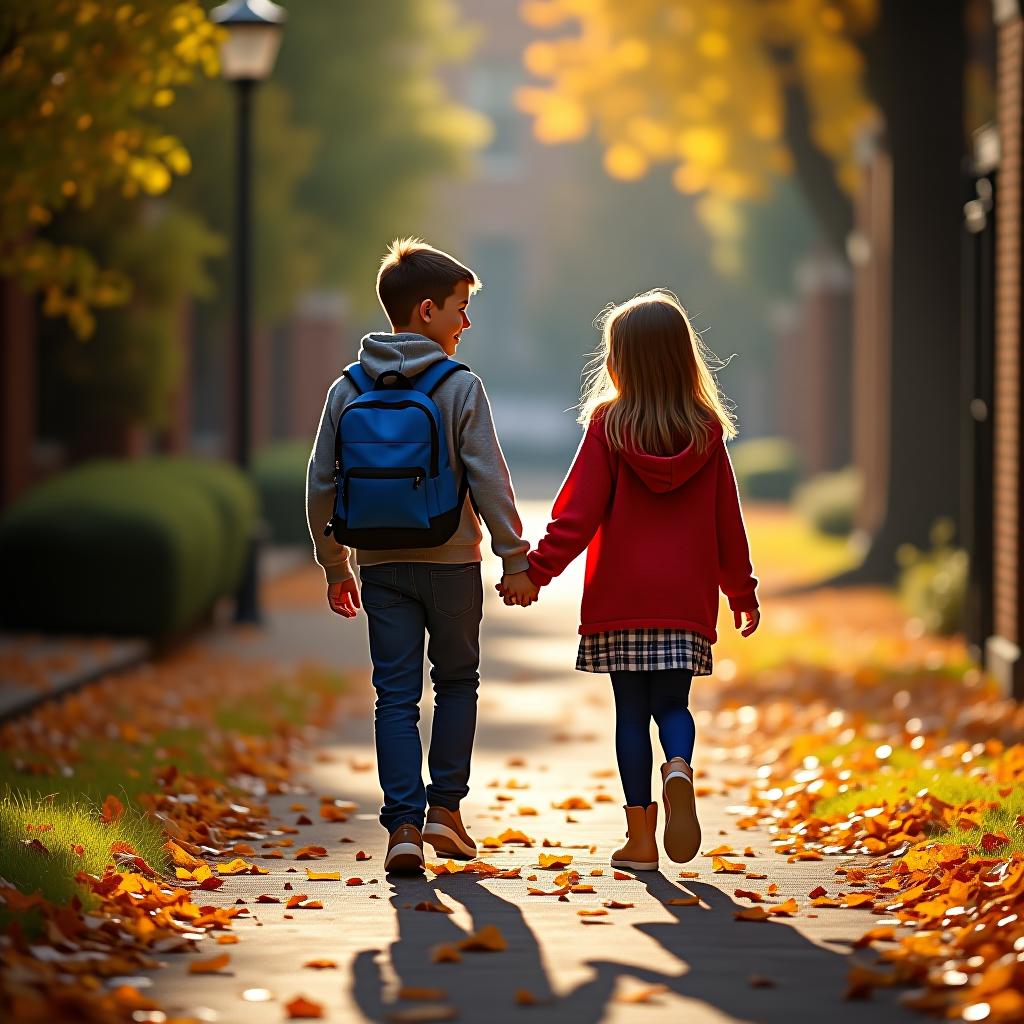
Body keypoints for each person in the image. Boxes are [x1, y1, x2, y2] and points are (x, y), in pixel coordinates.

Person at [499, 289, 760, 869]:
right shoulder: (707, 433)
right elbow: (728, 525)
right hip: (684, 602)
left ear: (619, 362)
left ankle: (640, 839)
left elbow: (576, 514)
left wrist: (534, 574)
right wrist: (741, 591)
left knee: (628, 715)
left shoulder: (608, 427)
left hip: (621, 601)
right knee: (673, 704)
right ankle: (680, 767)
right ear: (683, 359)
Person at [307, 238, 532, 874]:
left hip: (380, 565)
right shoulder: (459, 386)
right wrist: (514, 558)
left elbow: (320, 483)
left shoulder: (346, 387)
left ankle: (402, 827)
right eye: (461, 308)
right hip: (452, 560)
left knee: (395, 695)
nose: (467, 321)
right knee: (457, 682)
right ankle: (446, 813)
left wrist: (335, 564)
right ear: (427, 310)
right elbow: (489, 476)